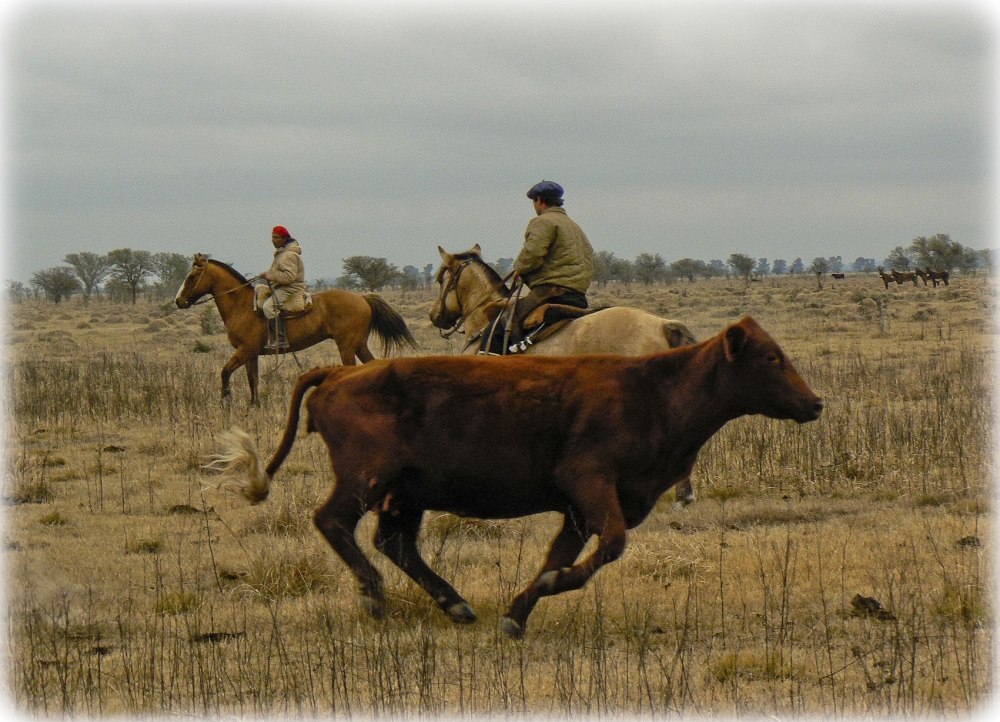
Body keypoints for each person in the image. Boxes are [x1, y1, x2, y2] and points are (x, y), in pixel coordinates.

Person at [482, 181, 594, 354]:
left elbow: (532, 254)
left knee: (499, 326)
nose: (534, 206)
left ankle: (489, 370)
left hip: (551, 293)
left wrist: (520, 268)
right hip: (578, 296)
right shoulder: (574, 226)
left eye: (534, 202)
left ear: (540, 200)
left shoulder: (543, 222)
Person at [254, 226, 310, 350]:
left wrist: (269, 275)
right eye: (272, 237)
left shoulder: (288, 255)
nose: (273, 240)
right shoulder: (282, 253)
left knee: (268, 307)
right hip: (283, 287)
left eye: (276, 237)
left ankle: (281, 339)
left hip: (290, 288)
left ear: (284, 239)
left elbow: (289, 277)